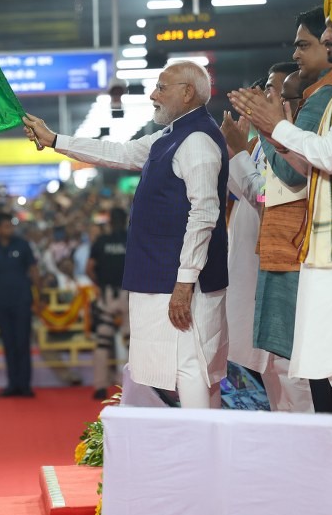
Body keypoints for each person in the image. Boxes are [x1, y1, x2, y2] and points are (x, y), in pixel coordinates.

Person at [24, 60, 229, 409]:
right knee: (188, 370)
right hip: (166, 278)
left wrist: (184, 281)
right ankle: (202, 450)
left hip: (179, 282)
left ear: (188, 92)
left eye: (162, 88)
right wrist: (55, 139)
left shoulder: (196, 141)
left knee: (190, 368)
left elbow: (205, 214)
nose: (153, 95)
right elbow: (116, 153)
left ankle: (199, 453)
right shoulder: (171, 136)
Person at [229, 0, 332, 424]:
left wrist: (275, 127)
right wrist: (275, 131)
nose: (327, 36)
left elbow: (329, 156)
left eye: (331, 26)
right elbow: (314, 167)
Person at [221, 63, 315, 413]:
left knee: (290, 371)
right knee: (270, 367)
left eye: (274, 90)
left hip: (281, 263)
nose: (266, 97)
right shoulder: (267, 141)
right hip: (252, 259)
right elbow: (246, 193)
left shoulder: (295, 145)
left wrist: (241, 154)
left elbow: (266, 197)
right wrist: (238, 152)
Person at [0, 211, 42, 398]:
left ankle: (24, 385)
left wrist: (39, 297)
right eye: (5, 226)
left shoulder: (23, 245)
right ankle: (12, 384)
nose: (9, 229)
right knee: (8, 344)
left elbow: (33, 271)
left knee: (22, 343)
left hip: (22, 301)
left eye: (10, 225)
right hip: (2, 303)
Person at [86, 207, 129, 400]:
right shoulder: (132, 239)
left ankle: (100, 386)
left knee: (102, 342)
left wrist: (100, 284)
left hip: (106, 296)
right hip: (129, 295)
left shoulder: (101, 242)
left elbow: (89, 269)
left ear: (109, 221)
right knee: (132, 343)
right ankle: (134, 387)